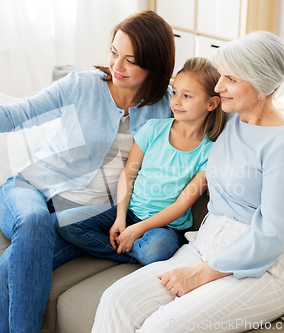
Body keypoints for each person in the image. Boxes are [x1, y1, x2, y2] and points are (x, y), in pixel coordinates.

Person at [0, 10, 176, 333]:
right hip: (30, 191)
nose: (116, 66)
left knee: (12, 266)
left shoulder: (168, 106)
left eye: (131, 59)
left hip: (88, 216)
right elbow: (19, 113)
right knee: (35, 220)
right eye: (113, 52)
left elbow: (213, 116)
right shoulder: (82, 86)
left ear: (154, 64)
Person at [91, 31, 284, 333]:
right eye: (222, 76)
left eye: (231, 80)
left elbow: (271, 235)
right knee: (116, 299)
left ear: (261, 85)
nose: (219, 87)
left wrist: (201, 274)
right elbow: (185, 103)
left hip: (263, 265)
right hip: (207, 243)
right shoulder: (230, 118)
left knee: (163, 327)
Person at [57, 58, 224, 266]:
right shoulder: (153, 129)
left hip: (165, 227)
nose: (176, 101)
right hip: (130, 213)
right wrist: (120, 218)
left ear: (212, 103)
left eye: (187, 96)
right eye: (175, 93)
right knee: (65, 223)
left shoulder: (210, 152)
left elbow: (182, 204)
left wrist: (138, 229)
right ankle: (128, 250)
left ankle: (131, 247)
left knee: (155, 250)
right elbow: (128, 174)